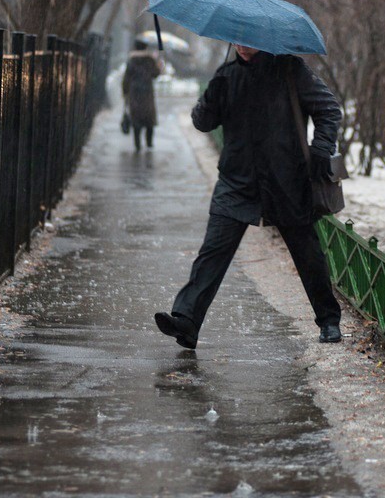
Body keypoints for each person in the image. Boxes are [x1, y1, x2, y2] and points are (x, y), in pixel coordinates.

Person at [155, 43, 343, 348]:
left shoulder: (290, 70)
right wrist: (209, 97)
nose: (242, 47)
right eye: (238, 40)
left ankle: (329, 321)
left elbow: (329, 109)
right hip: (236, 180)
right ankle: (186, 321)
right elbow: (203, 123)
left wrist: (321, 146)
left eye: (249, 41)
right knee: (213, 251)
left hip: (286, 180)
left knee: (306, 253)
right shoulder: (226, 76)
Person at [122, 41, 164, 151]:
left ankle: (137, 144)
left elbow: (127, 78)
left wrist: (125, 92)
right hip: (147, 92)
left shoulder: (132, 60)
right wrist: (159, 66)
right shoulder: (150, 60)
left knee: (136, 118)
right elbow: (155, 74)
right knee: (148, 117)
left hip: (134, 92)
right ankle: (149, 142)